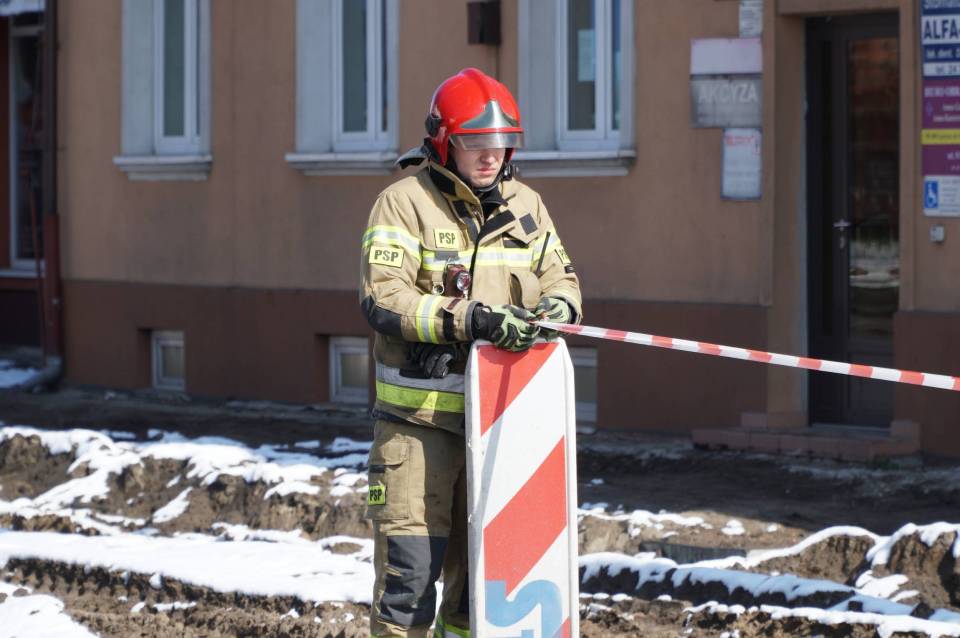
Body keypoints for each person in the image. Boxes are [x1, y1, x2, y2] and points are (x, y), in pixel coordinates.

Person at [359, 67, 582, 638]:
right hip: (419, 430)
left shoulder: (527, 205)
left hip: (502, 430)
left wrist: (557, 309)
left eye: (501, 144)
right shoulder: (403, 203)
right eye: (475, 143)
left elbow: (564, 282)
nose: (490, 156)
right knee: (408, 590)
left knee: (479, 596)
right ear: (443, 141)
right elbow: (384, 299)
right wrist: (471, 319)